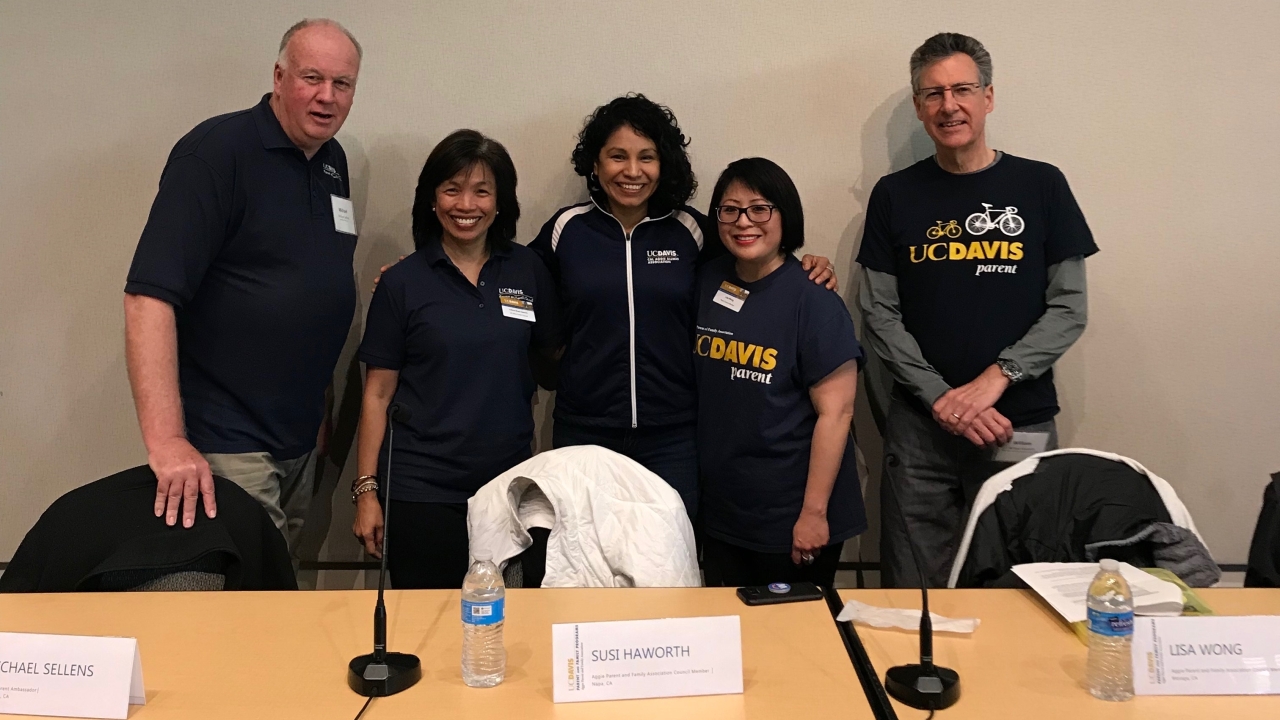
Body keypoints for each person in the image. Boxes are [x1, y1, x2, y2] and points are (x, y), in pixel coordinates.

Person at [856, 33, 1099, 588]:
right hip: (920, 429)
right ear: (919, 107)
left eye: (962, 89)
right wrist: (941, 397)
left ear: (988, 96)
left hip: (1016, 419)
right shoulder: (894, 196)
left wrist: (996, 379)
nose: (949, 105)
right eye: (933, 93)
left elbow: (1069, 307)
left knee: (1025, 582)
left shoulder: (1042, 185)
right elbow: (880, 314)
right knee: (914, 593)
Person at [528, 94, 837, 519]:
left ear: (663, 164)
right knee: (585, 564)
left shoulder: (689, 228)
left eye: (647, 157)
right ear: (595, 165)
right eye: (617, 156)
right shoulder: (567, 228)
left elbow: (753, 259)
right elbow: (512, 279)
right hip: (585, 428)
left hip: (674, 435)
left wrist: (808, 262)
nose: (632, 171)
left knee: (672, 566)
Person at [123, 19, 363, 551]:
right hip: (229, 441)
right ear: (279, 77)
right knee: (250, 602)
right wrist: (166, 441)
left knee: (281, 593)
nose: (326, 97)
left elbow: (313, 290)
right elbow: (148, 296)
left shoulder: (332, 162)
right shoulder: (216, 152)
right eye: (311, 78)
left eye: (342, 84)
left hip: (299, 439)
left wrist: (318, 409)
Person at [351, 130, 561, 589]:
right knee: (426, 626)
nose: (466, 204)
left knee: (501, 625)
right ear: (431, 199)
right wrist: (366, 490)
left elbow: (552, 359)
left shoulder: (528, 270)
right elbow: (377, 393)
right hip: (421, 490)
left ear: (501, 201)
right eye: (452, 188)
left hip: (506, 487)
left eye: (482, 190)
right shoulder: (402, 283)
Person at [695, 158, 866, 589]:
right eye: (730, 209)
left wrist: (813, 514)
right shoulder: (707, 281)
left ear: (785, 215)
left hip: (793, 513)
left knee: (793, 644)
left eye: (759, 208)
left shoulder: (815, 299)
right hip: (724, 512)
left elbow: (838, 413)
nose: (743, 221)